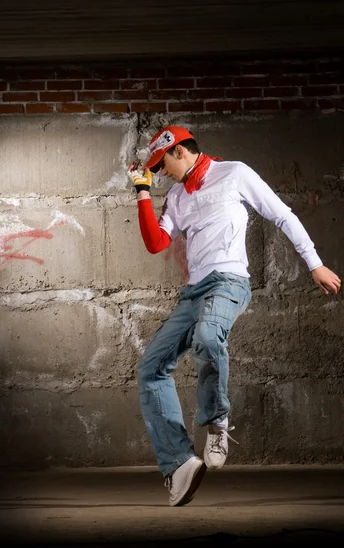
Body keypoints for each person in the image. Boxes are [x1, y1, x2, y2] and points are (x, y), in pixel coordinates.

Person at [127, 125, 341, 507]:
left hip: (229, 282)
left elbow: (282, 215)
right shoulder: (176, 197)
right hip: (193, 292)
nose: (161, 173)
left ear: (180, 151)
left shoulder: (235, 173)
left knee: (208, 337)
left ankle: (217, 423)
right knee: (150, 368)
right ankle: (178, 463)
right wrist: (142, 191)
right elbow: (156, 243)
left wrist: (315, 264)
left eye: (162, 165)